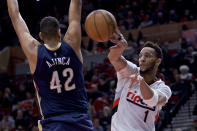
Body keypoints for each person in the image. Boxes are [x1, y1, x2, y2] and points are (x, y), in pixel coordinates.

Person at [7, 0, 94, 130]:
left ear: (41, 36)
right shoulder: (72, 43)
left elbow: (15, 15)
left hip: (53, 124)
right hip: (80, 121)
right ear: (59, 32)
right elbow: (77, 5)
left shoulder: (34, 52)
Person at [108, 30, 172, 131]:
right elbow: (115, 59)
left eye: (147, 56)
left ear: (158, 61)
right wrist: (119, 49)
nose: (142, 59)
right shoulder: (131, 71)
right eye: (140, 56)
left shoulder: (164, 89)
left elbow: (152, 100)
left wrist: (140, 81)